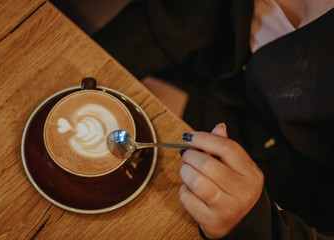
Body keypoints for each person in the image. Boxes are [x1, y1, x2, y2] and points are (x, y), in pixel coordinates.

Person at [53, 0, 334, 239]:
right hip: (201, 76)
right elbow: (174, 16)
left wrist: (256, 225)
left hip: (280, 175)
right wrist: (92, 60)